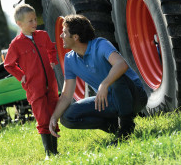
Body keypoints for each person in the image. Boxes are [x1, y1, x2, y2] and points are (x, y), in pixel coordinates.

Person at [49, 14, 147, 145]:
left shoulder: (101, 44)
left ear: (76, 37)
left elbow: (121, 64)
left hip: (134, 97)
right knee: (67, 118)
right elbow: (66, 95)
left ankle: (126, 128)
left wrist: (104, 85)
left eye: (64, 33)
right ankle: (115, 128)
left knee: (116, 79)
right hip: (109, 102)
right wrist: (54, 117)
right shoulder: (69, 59)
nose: (61, 36)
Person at [4, 4, 60, 158]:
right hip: (34, 87)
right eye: (30, 21)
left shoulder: (43, 35)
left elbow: (51, 49)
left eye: (35, 19)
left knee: (54, 115)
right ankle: (49, 153)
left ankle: (56, 151)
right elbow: (9, 64)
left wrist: (52, 61)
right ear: (19, 24)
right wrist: (20, 75)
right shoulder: (16, 44)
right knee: (42, 118)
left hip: (51, 83)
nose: (34, 23)